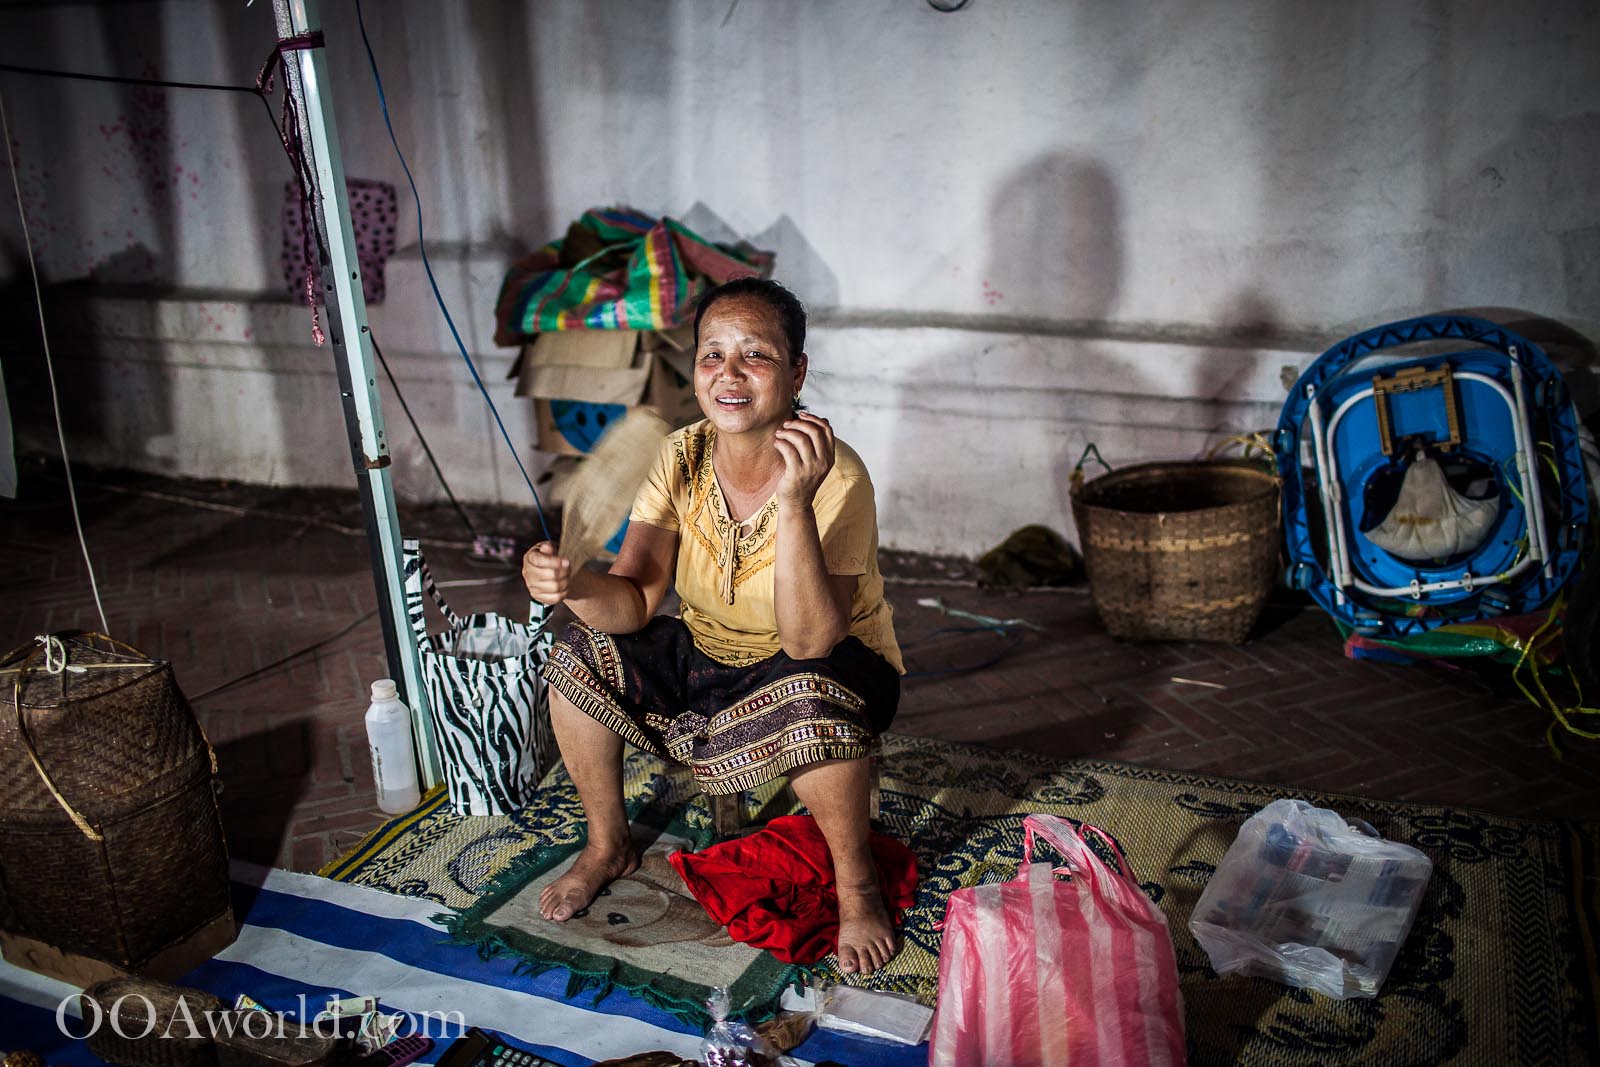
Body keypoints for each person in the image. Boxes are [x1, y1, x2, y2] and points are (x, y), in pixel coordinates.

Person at [521, 277, 905, 976]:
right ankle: (608, 842)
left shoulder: (837, 475)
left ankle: (858, 887)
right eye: (711, 355)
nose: (728, 374)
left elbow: (810, 642)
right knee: (578, 646)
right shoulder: (678, 454)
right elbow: (636, 600)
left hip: (830, 667)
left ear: (796, 373)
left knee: (810, 694)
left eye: (754, 355)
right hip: (710, 656)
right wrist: (571, 583)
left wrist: (793, 501)